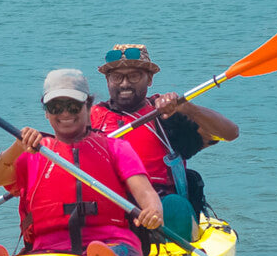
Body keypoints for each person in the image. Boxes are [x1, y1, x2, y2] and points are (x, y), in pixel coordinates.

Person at [0, 68, 164, 256]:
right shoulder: (32, 155)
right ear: (46, 113)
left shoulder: (116, 148)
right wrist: (15, 148)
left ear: (88, 107)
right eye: (56, 107)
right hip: (48, 249)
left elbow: (146, 193)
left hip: (111, 243)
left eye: (73, 106)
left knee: (108, 252)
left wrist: (153, 211)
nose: (65, 113)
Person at [89, 44, 239, 235]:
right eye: (117, 77)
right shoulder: (91, 118)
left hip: (163, 213)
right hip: (112, 208)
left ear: (149, 79)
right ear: (107, 80)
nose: (125, 84)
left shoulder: (165, 116)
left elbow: (230, 133)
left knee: (174, 205)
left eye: (134, 76)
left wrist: (187, 108)